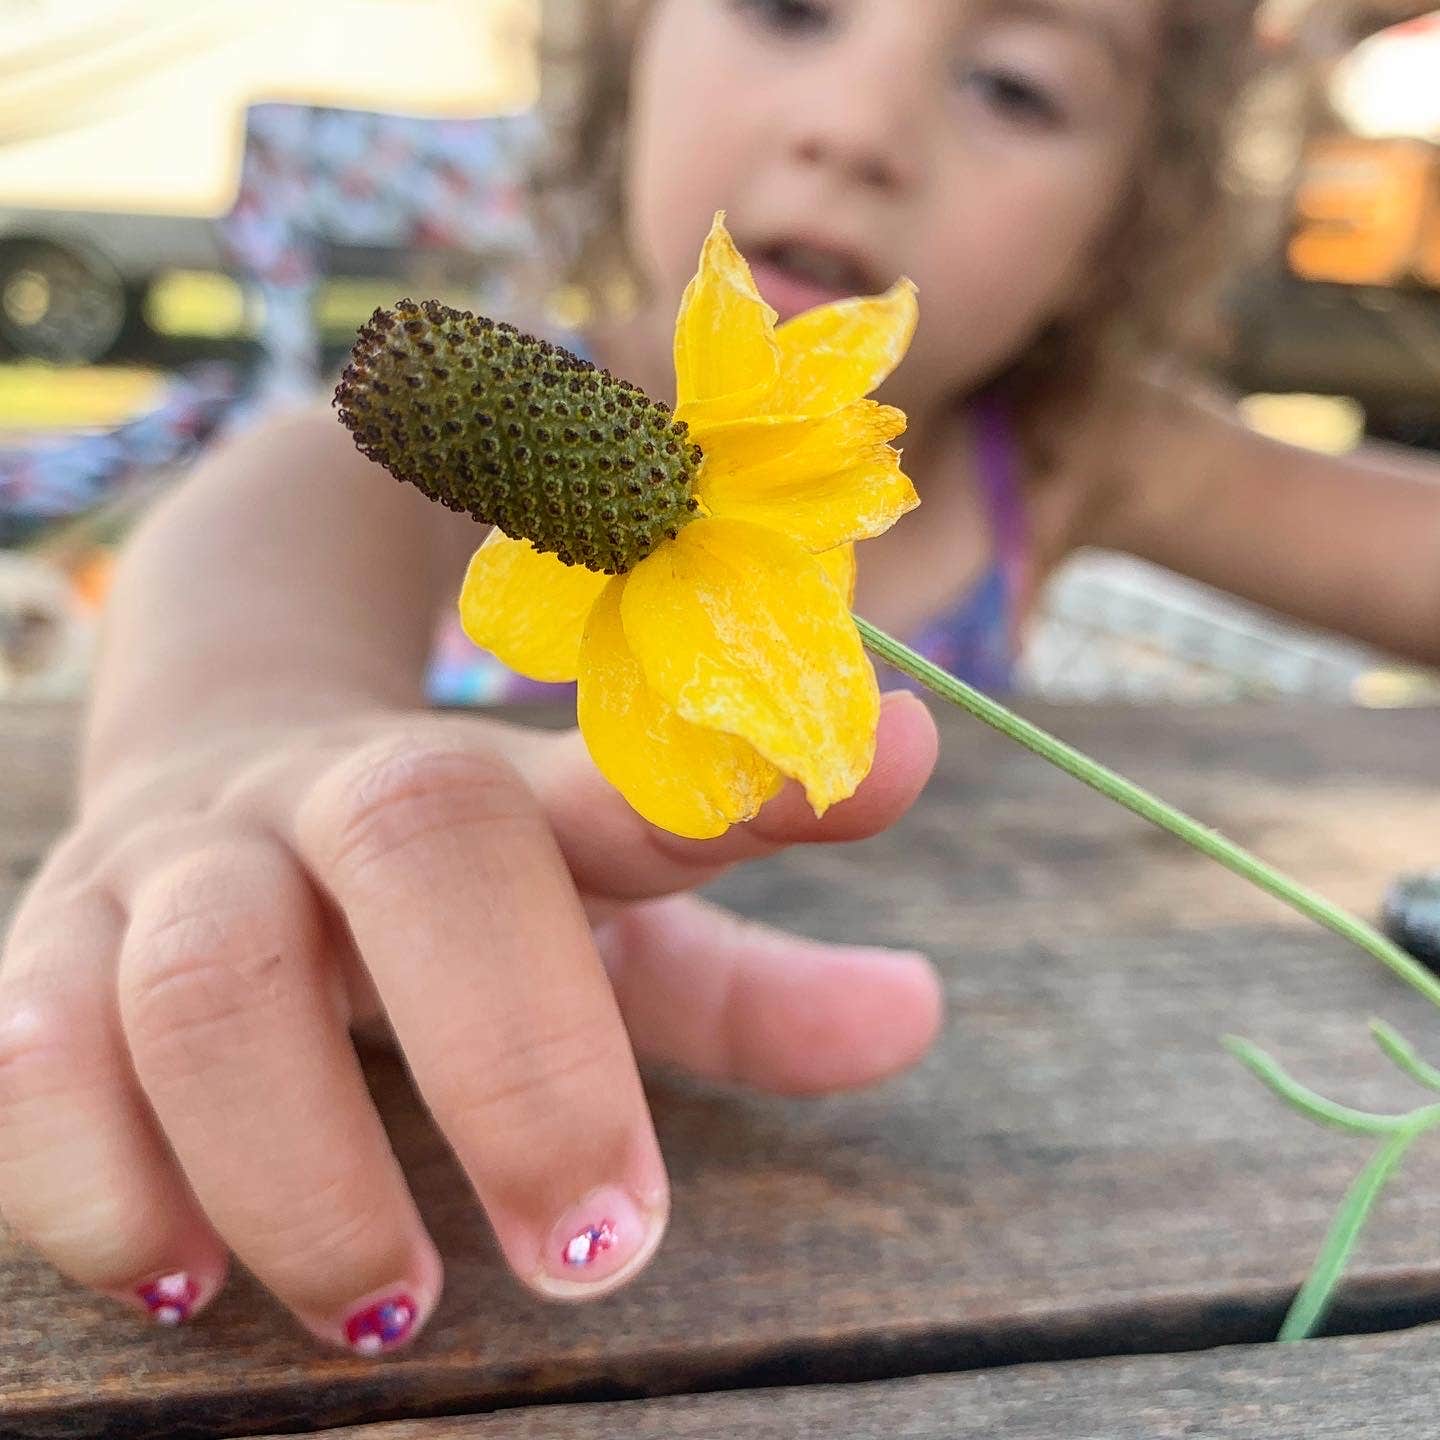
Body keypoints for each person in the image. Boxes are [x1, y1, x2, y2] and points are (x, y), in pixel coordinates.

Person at [4, 0, 1440, 1356]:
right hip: (491, 1189)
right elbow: (254, 530)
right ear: (628, 39)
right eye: (789, 3)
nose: (860, 125)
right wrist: (219, 742)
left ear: (1130, 210)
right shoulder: (449, 472)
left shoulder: (1072, 451)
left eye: (1016, 81)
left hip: (948, 1171)